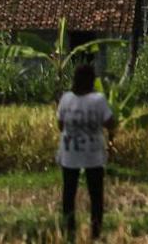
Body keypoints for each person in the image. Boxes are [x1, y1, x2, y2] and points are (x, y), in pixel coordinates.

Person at [57, 60, 115, 240]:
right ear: (91, 80)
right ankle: (95, 234)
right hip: (93, 154)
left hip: (70, 153)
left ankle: (69, 233)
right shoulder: (98, 100)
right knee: (96, 196)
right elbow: (110, 122)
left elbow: (60, 125)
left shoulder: (66, 98)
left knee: (69, 195)